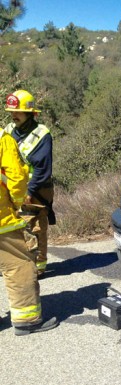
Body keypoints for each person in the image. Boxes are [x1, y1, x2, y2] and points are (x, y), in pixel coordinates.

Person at [0, 126, 58, 335]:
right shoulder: (2, 139)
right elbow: (15, 178)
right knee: (19, 265)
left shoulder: (40, 133)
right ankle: (28, 320)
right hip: (2, 220)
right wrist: (16, 204)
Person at [4, 90, 54, 277]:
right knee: (16, 226)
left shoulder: (42, 134)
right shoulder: (9, 130)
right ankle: (20, 262)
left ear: (30, 113)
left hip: (37, 188)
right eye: (11, 111)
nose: (13, 115)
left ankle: (38, 266)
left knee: (35, 227)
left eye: (17, 111)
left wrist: (29, 191)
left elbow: (42, 169)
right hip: (14, 187)